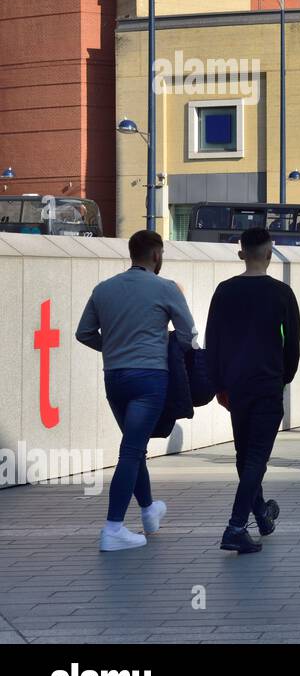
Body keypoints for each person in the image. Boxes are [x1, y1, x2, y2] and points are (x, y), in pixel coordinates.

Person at [76, 230, 198, 552]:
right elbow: (187, 333)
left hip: (114, 377)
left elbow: (83, 332)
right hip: (149, 379)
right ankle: (113, 529)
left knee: (134, 445)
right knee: (131, 451)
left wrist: (113, 347)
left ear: (132, 253)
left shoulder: (104, 289)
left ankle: (148, 512)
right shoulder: (165, 288)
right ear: (157, 255)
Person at [204, 227, 300, 553]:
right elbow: (294, 345)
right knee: (256, 457)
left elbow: (212, 341)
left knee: (245, 455)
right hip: (267, 384)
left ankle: (260, 514)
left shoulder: (224, 291)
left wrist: (219, 384)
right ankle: (234, 526)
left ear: (241, 253)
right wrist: (284, 377)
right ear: (270, 254)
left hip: (235, 386)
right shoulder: (282, 293)